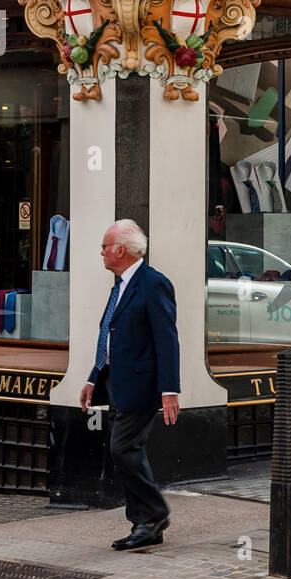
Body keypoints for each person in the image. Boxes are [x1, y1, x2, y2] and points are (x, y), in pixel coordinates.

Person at [79, 220, 181, 549]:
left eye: (105, 246)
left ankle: (153, 513)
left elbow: (167, 340)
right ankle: (146, 524)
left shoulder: (153, 284)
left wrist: (169, 391)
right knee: (127, 452)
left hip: (141, 386)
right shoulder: (121, 284)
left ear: (121, 250)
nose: (102, 252)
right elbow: (110, 336)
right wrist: (93, 378)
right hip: (118, 385)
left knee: (123, 449)